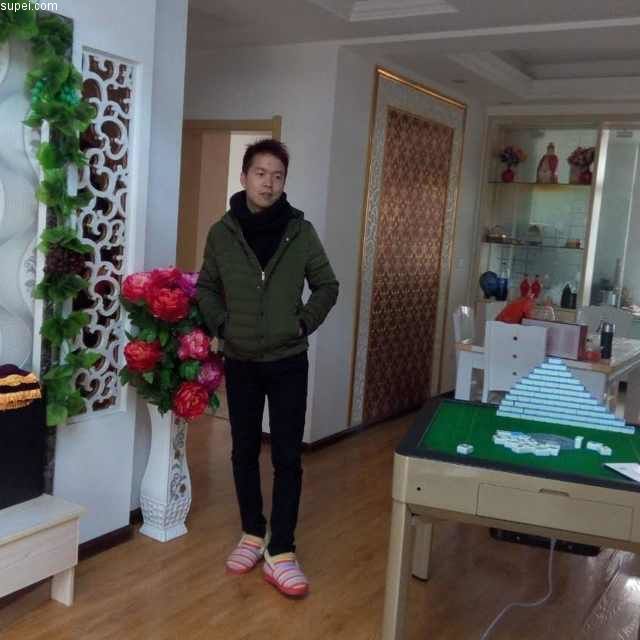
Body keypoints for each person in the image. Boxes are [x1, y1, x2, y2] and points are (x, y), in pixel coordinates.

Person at [196, 139, 339, 598]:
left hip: (287, 361)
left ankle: (282, 550)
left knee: (287, 456)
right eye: (261, 173)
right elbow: (206, 287)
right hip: (240, 359)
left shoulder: (300, 232)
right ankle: (252, 533)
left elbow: (327, 285)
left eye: (278, 176)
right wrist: (222, 325)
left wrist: (302, 322)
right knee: (242, 449)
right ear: (244, 177)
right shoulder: (222, 233)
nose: (269, 183)